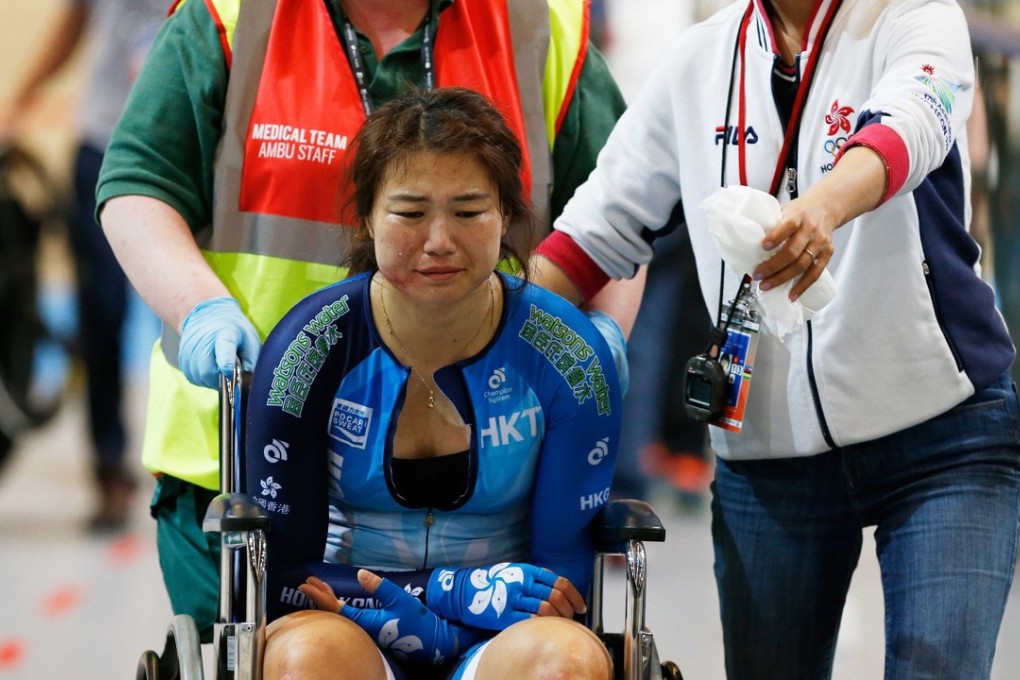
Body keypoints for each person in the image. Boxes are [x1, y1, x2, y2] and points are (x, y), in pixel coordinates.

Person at [95, 0, 627, 642]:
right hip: (244, 451)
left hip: (502, 480)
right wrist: (200, 310)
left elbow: (619, 206)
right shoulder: (229, 17)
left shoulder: (539, 22)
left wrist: (600, 332)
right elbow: (136, 183)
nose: (436, 241)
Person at [530, 0, 1020, 678]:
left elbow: (912, 121)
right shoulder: (698, 61)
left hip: (944, 433)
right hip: (770, 450)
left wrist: (825, 204)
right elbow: (592, 231)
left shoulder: (915, 14)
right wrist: (481, 338)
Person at [245, 87, 621, 680]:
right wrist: (446, 591)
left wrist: (461, 620)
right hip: (345, 620)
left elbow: (566, 588)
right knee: (303, 661)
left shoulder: (569, 353)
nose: (440, 241)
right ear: (367, 217)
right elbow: (284, 576)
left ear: (506, 217)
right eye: (411, 213)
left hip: (502, 633)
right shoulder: (308, 348)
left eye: (469, 212)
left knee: (567, 663)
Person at [0, 0, 166, 531]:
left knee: (191, 312)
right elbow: (72, 26)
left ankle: (199, 469)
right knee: (103, 314)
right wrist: (20, 104)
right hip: (102, 143)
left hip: (179, 143)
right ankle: (109, 467)